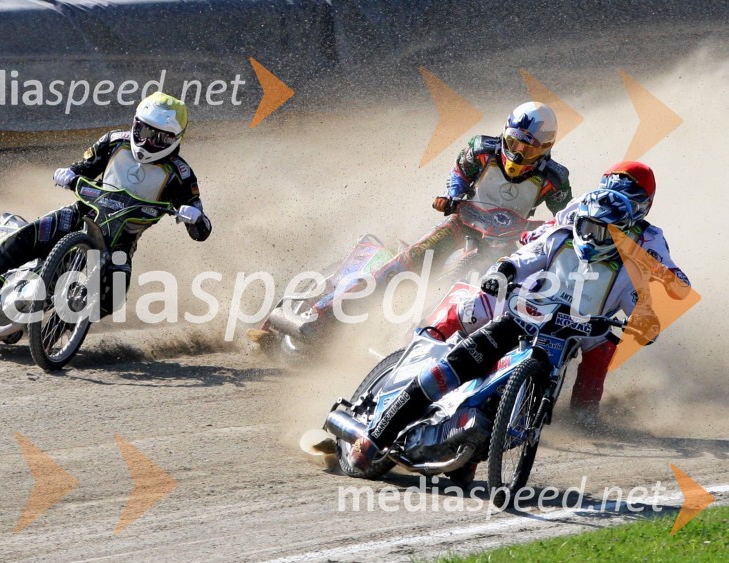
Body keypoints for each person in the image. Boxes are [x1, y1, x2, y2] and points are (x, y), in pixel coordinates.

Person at [347, 188, 684, 471]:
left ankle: (469, 454)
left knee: (515, 410)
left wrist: (646, 325)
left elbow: (641, 306)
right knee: (448, 370)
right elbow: (521, 260)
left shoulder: (628, 271)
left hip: (559, 346)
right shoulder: (559, 239)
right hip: (517, 323)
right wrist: (502, 273)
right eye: (585, 225)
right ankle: (375, 436)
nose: (588, 236)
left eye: (601, 231)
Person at [255, 102, 572, 342]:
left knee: (505, 293)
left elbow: (565, 215)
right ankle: (321, 316)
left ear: (544, 149)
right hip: (461, 224)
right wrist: (451, 197)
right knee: (410, 261)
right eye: (514, 143)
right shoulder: (481, 150)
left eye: (528, 148)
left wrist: (554, 229)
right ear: (505, 134)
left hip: (505, 242)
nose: (518, 154)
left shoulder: (555, 179)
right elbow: (459, 174)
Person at [431, 161, 690, 424]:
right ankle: (431, 340)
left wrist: (664, 276)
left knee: (603, 348)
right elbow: (546, 232)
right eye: (609, 190)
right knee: (486, 301)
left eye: (626, 198)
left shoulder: (650, 237)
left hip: (595, 305)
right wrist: (533, 237)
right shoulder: (581, 206)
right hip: (552, 283)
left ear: (643, 205)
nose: (610, 205)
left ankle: (584, 413)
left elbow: (676, 284)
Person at [0, 91, 211, 324]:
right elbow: (84, 167)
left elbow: (202, 230)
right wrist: (69, 173)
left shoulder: (181, 174)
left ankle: (52, 331)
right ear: (135, 124)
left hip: (121, 242)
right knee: (22, 240)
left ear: (176, 138)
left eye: (159, 137)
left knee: (112, 300)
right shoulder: (114, 141)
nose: (148, 141)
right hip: (79, 216)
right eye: (144, 130)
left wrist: (195, 218)